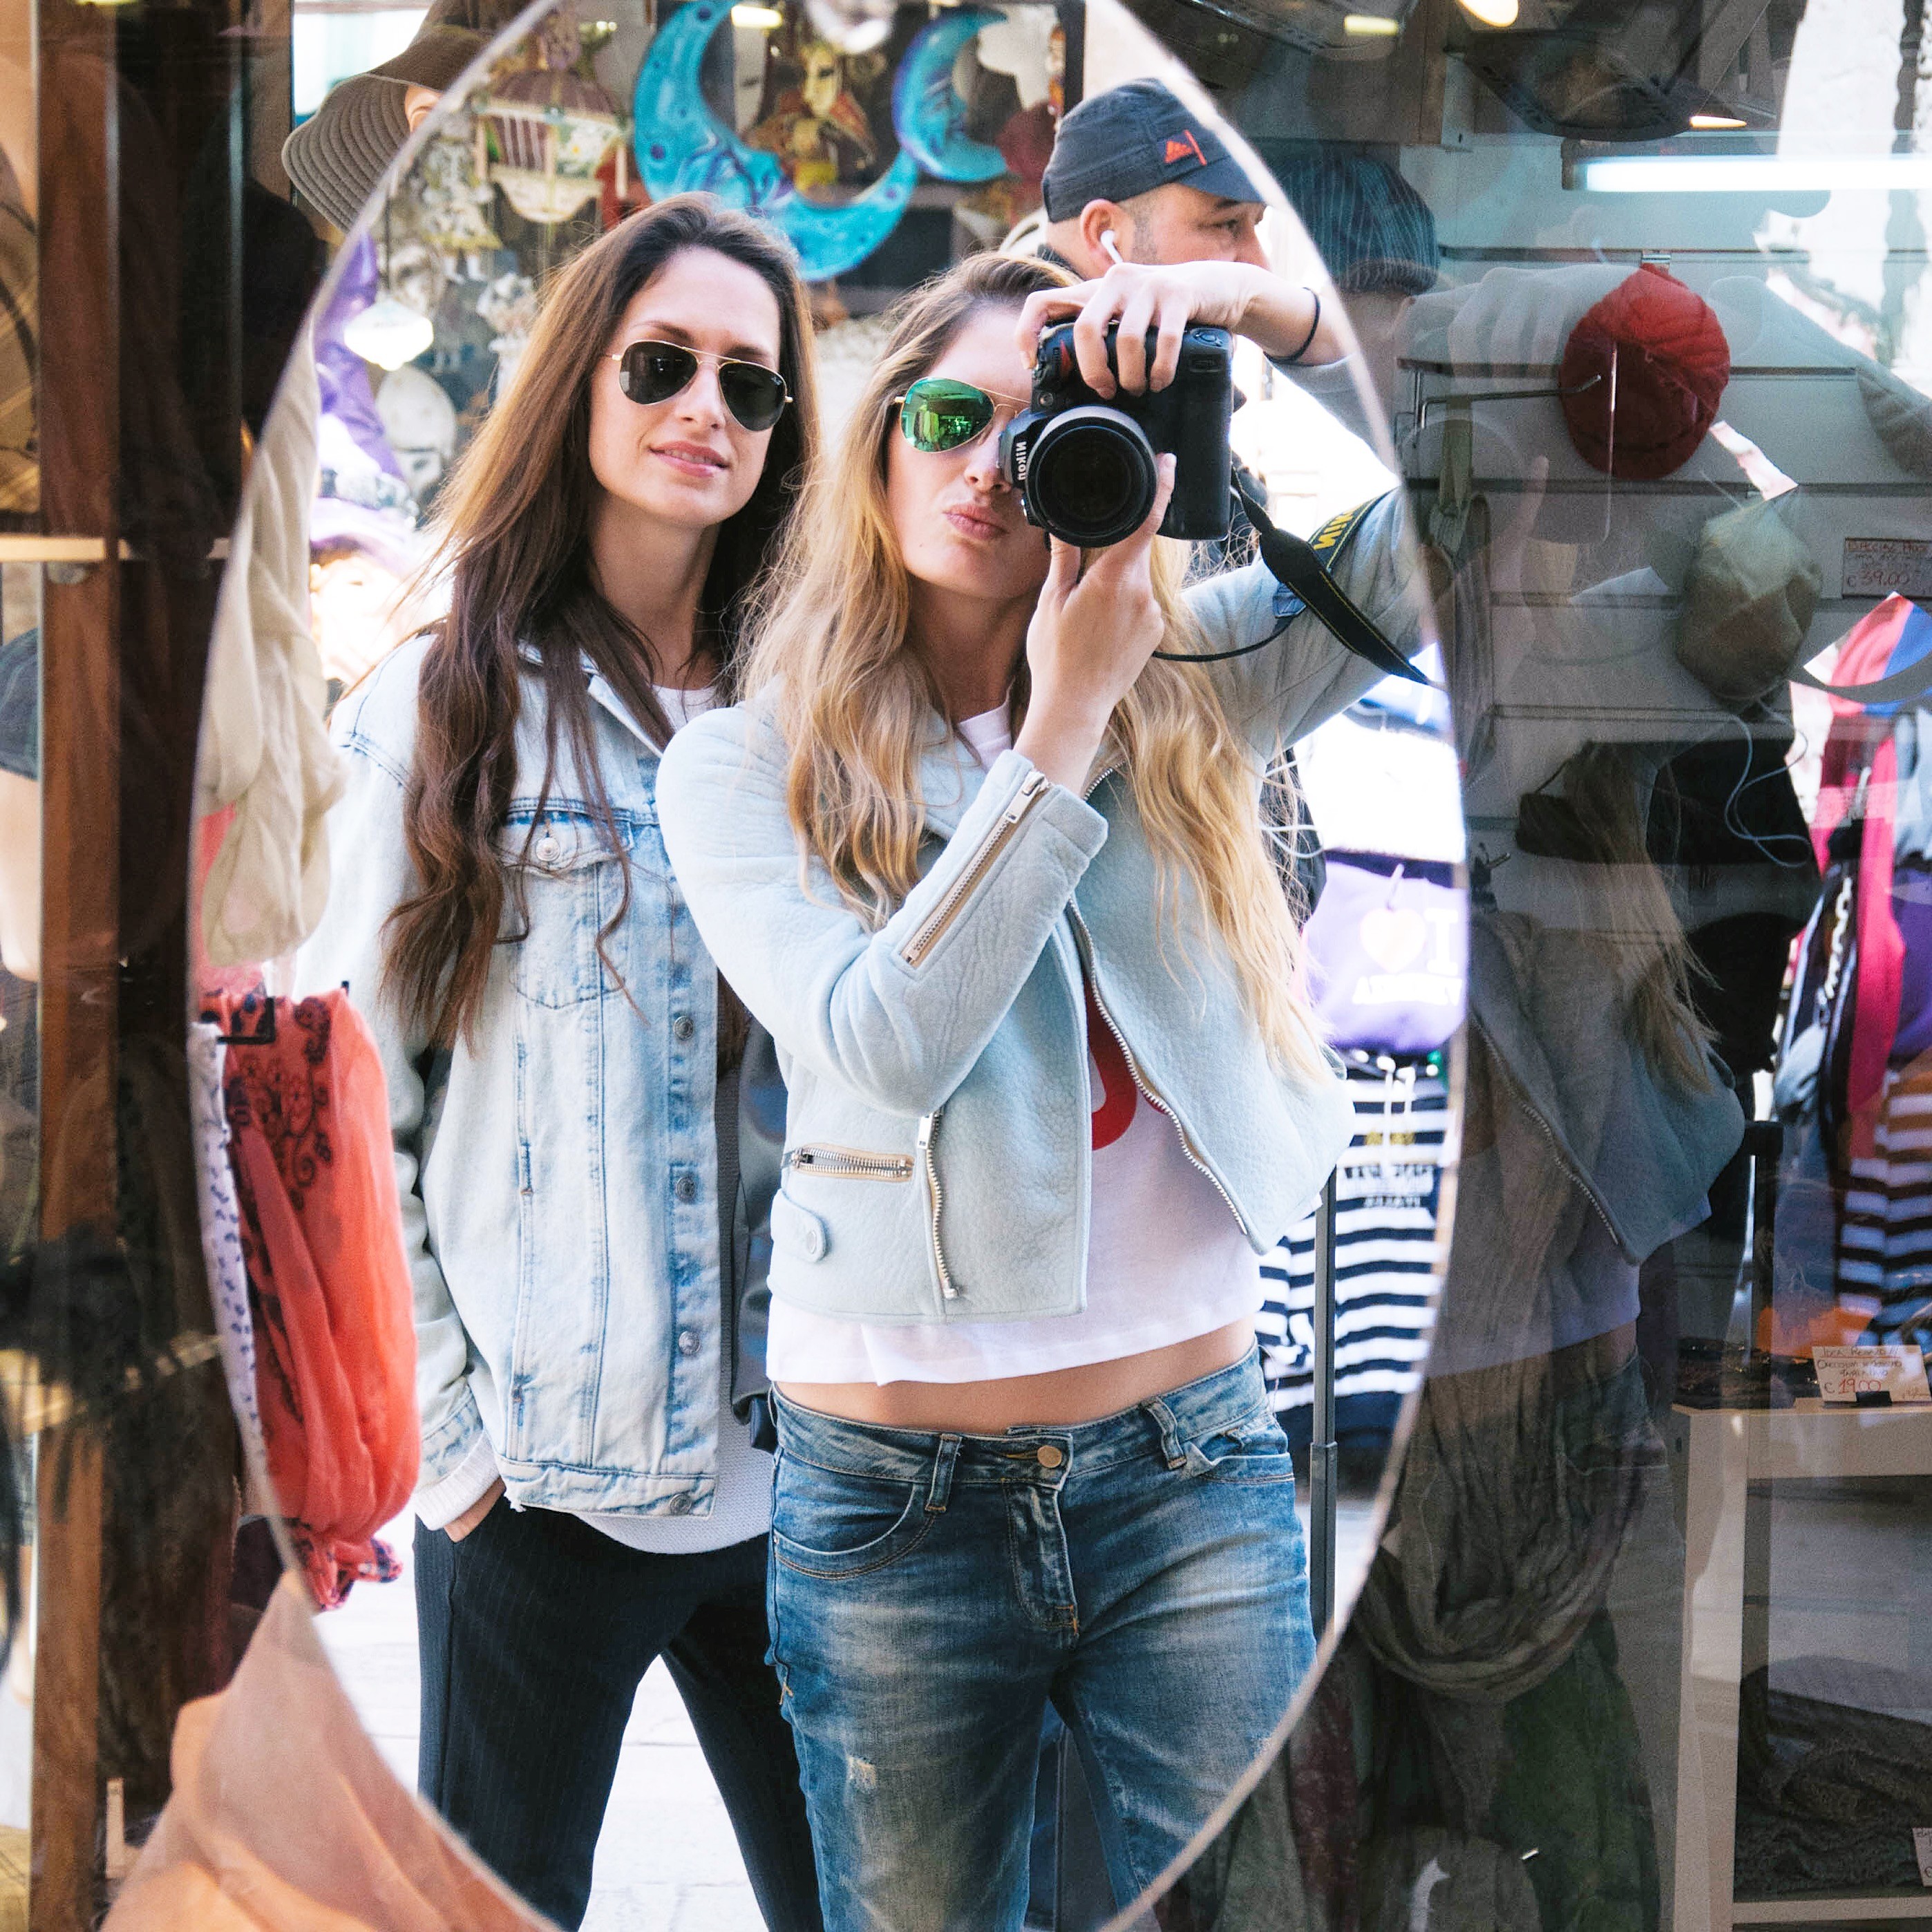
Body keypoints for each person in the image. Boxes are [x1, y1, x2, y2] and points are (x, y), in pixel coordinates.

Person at [655, 249, 1421, 1930]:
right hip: (891, 1506)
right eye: (948, 417)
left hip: (1193, 1466)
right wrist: (1062, 718)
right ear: (877, 448)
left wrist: (1261, 312)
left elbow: (1471, 510)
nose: (992, 466)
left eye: (1046, 424)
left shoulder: (1196, 674)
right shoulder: (742, 761)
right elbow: (884, 1044)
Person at [293, 197, 824, 1932]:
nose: (707, 410)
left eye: (751, 385)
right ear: (580, 385)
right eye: (661, 365)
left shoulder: (819, 711)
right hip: (541, 1493)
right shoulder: (439, 710)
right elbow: (349, 1114)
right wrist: (454, 1453)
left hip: (809, 1477)